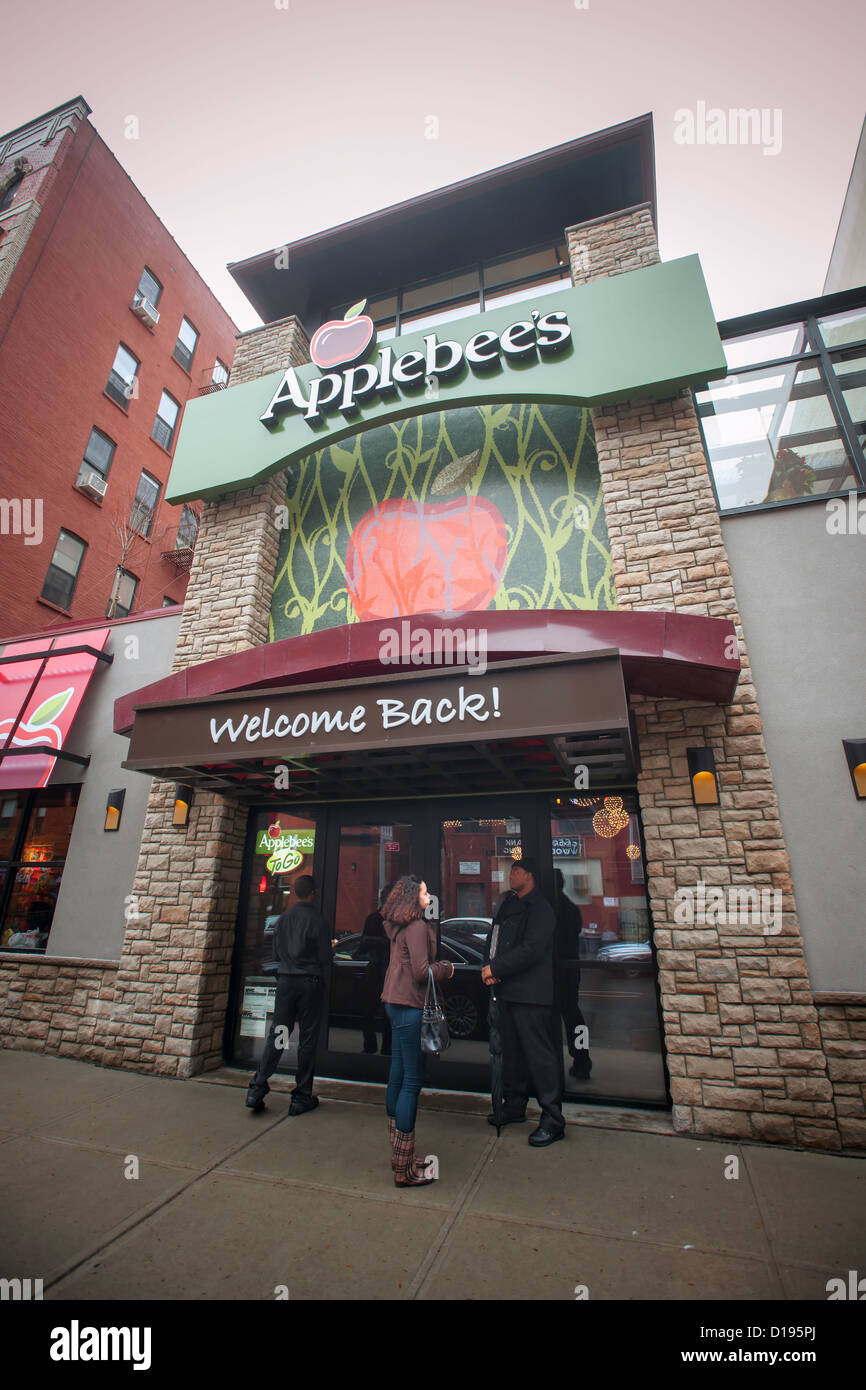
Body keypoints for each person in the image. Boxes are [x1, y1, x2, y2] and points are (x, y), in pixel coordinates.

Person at [482, 857, 565, 1146]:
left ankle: (553, 1120)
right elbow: (495, 938)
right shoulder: (508, 905)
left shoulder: (541, 908)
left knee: (539, 1057)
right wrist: (490, 965)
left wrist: (496, 968)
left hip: (531, 995)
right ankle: (514, 1106)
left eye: (516, 871)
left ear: (529, 876)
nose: (510, 876)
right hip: (506, 990)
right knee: (512, 1055)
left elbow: (532, 949)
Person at [380, 876, 455, 1187]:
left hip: (393, 1001)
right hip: (409, 1005)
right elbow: (422, 972)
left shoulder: (397, 925)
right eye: (424, 891)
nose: (429, 894)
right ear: (413, 897)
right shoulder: (416, 927)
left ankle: (402, 1155)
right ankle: (405, 1170)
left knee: (397, 1075)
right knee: (412, 1081)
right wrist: (446, 969)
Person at [245, 874, 334, 1117]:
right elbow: (325, 957)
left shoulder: (283, 919)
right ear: (313, 893)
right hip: (309, 983)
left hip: (286, 982)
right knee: (307, 1038)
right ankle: (301, 1096)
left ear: (295, 892)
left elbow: (276, 955)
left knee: (279, 1033)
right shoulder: (318, 920)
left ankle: (257, 1087)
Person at [553, 868, 592, 1081]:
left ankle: (581, 1061)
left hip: (562, 969)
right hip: (569, 969)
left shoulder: (557, 908)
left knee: (569, 1016)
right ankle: (582, 1060)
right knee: (573, 1016)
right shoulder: (570, 907)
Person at [359, 883, 392, 1055]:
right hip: (382, 971)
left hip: (380, 970)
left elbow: (362, 945)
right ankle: (380, 1047)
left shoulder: (376, 919)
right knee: (376, 1012)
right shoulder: (381, 920)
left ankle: (375, 1047)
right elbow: (363, 945)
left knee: (375, 1012)